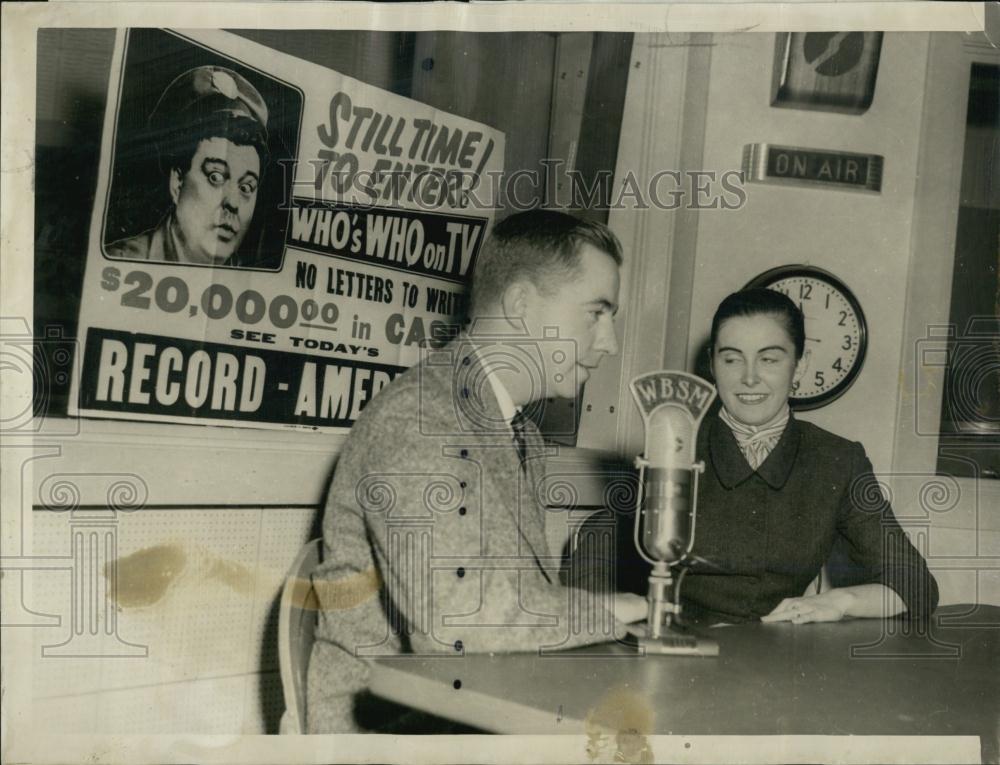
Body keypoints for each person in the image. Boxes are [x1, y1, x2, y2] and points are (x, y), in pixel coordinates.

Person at [306, 210, 648, 733]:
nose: (609, 343)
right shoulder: (419, 420)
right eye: (596, 313)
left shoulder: (515, 431)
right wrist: (609, 611)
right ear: (521, 306)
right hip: (391, 735)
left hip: (469, 709)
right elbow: (460, 624)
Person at [566, 288, 939, 626]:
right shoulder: (674, 445)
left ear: (801, 366)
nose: (749, 378)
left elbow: (915, 583)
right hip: (681, 649)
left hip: (777, 660)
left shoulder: (838, 460)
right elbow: (601, 536)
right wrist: (623, 616)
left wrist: (840, 601)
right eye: (732, 360)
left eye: (769, 359)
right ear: (713, 365)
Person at [106, 66, 268, 267]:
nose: (233, 203)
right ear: (177, 182)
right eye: (215, 177)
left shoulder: (244, 278)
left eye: (246, 187)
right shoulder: (121, 264)